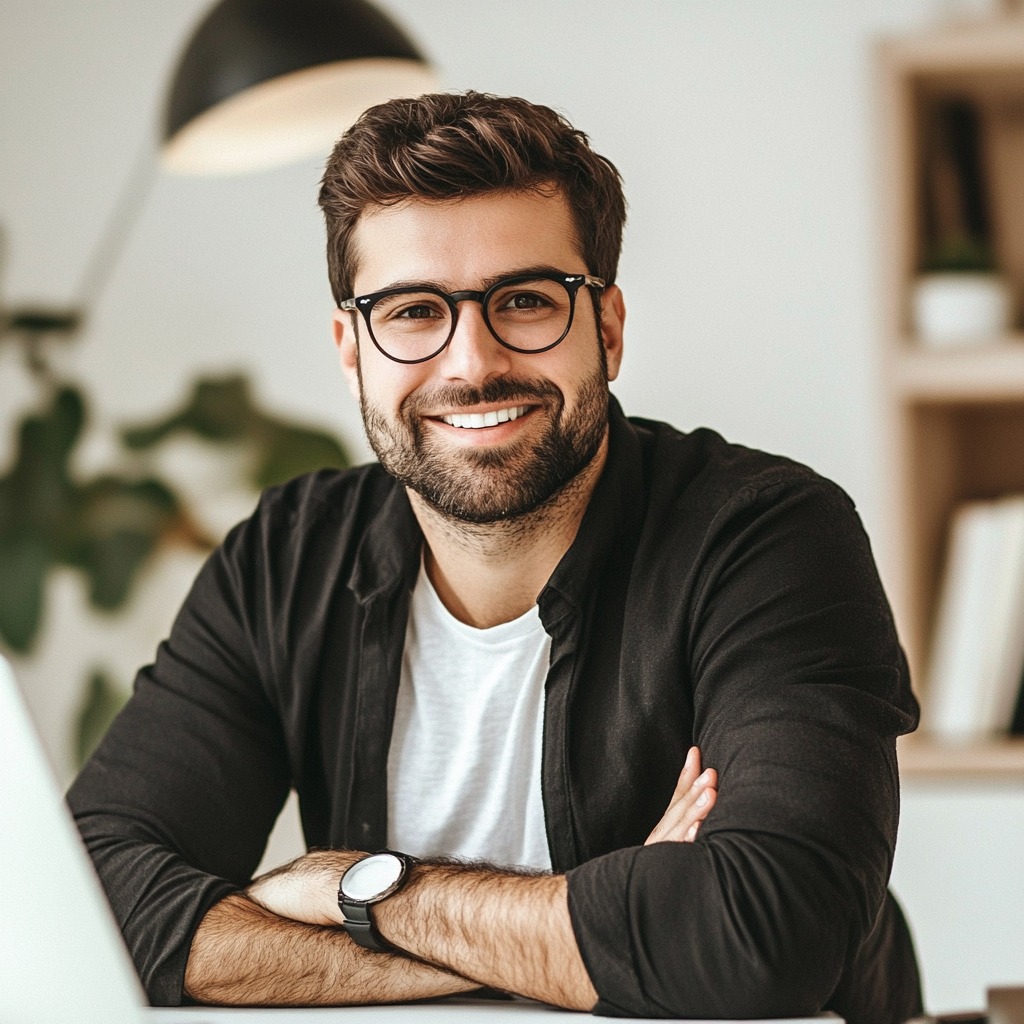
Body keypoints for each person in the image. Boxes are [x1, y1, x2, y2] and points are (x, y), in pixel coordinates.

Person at [68, 91, 923, 1023]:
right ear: (352, 349)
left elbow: (764, 936)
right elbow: (92, 902)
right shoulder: (286, 558)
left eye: (524, 301)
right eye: (411, 311)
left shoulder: (764, 537)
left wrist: (361, 891)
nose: (471, 362)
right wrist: (579, 931)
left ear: (608, 327)